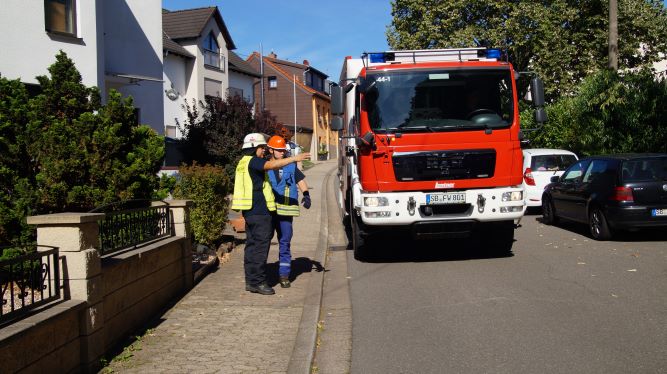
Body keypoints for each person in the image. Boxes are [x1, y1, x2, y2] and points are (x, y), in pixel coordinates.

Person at [231, 133, 310, 295]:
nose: (263, 151)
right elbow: (271, 166)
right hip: (260, 212)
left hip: (253, 211)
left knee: (253, 247)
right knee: (260, 247)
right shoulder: (256, 162)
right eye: (261, 148)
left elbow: (297, 179)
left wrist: (306, 194)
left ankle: (253, 280)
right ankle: (258, 282)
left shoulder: (243, 162)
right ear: (255, 148)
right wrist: (294, 158)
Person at [266, 135, 311, 288]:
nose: (282, 153)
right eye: (279, 151)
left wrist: (306, 194)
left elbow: (300, 180)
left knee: (285, 242)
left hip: (285, 212)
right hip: (269, 213)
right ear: (271, 150)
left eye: (283, 150)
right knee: (265, 242)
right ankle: (262, 273)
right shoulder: (265, 166)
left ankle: (284, 275)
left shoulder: (290, 166)